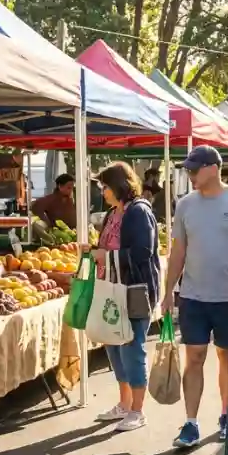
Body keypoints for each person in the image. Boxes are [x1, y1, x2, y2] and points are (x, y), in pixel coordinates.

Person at [161, 146, 228, 447]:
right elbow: (178, 250)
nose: (190, 175)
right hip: (193, 296)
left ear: (213, 168)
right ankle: (190, 423)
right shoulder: (185, 205)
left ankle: (226, 415)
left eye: (194, 169)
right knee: (194, 356)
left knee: (226, 356)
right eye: (188, 169)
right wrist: (168, 291)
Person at [93, 162, 160, 432]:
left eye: (105, 187)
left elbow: (142, 252)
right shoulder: (113, 212)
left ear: (119, 185)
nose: (103, 192)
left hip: (134, 291)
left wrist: (106, 256)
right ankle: (124, 403)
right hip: (111, 289)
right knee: (114, 345)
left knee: (132, 348)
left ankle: (137, 410)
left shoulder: (139, 212)